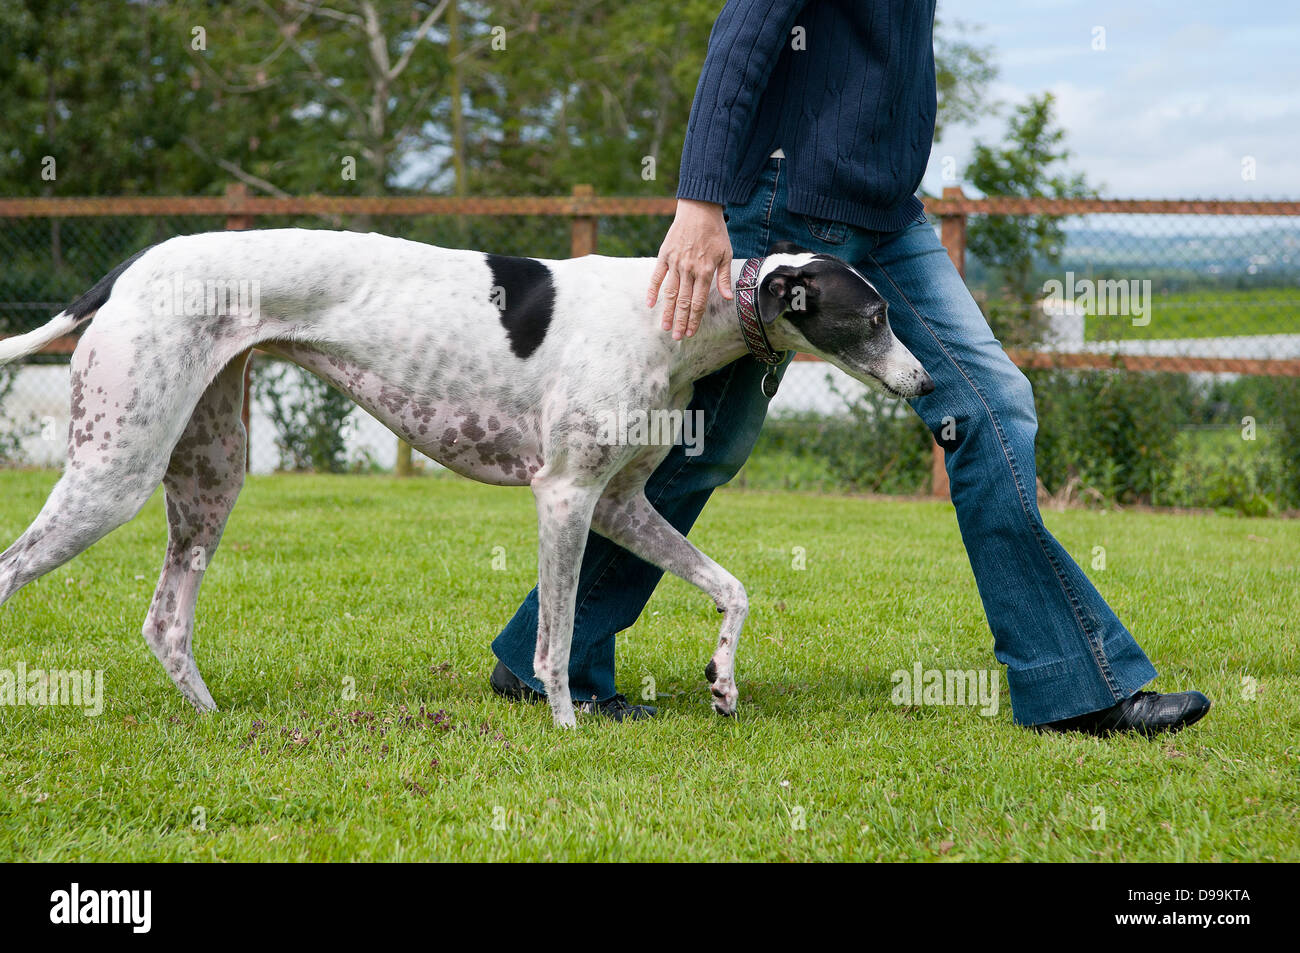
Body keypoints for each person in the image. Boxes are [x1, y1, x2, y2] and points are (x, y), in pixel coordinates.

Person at [490, 0, 1211, 735]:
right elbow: (743, 32)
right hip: (780, 214)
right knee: (699, 443)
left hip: (889, 218)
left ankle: (1075, 687)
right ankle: (548, 656)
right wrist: (700, 199)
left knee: (994, 402)